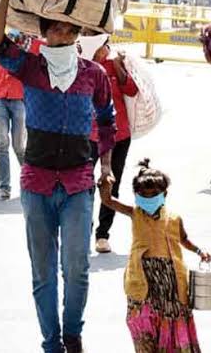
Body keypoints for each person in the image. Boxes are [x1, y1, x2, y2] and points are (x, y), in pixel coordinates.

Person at [0, 0, 116, 353]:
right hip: (37, 185)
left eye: (68, 27)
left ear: (78, 31)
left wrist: (107, 168)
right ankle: (51, 343)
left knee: (76, 271)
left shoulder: (94, 74)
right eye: (53, 27)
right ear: (43, 33)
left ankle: (73, 335)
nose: (61, 33)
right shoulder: (28, 67)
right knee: (43, 273)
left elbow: (107, 121)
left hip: (78, 184)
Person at [99, 159, 210, 353]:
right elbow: (108, 201)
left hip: (171, 282)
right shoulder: (135, 213)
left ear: (164, 194)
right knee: (143, 321)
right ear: (136, 195)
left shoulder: (174, 219)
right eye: (143, 195)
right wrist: (105, 184)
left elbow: (183, 239)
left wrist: (199, 251)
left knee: (172, 323)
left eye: (153, 194)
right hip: (142, 280)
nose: (148, 198)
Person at [79, 30, 139, 254]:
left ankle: (103, 235)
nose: (108, 48)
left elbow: (131, 90)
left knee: (110, 183)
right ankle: (83, 230)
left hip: (118, 134)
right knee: (83, 185)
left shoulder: (115, 64)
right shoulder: (80, 64)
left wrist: (120, 67)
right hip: (87, 135)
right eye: (105, 44)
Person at [0, 0, 30, 201]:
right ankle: (4, 188)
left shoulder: (23, 39)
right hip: (1, 99)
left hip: (20, 100)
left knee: (19, 146)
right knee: (1, 143)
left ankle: (31, 183)